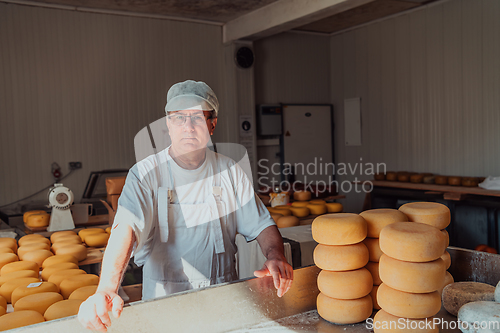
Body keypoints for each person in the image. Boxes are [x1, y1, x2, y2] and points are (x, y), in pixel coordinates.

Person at [78, 80, 293, 332]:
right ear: (168, 125)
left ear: (212, 124)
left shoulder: (230, 172)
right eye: (179, 118)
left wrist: (275, 256)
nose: (188, 127)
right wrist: (106, 288)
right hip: (164, 306)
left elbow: (261, 224)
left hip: (222, 301)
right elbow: (126, 227)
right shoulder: (146, 173)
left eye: (197, 118)